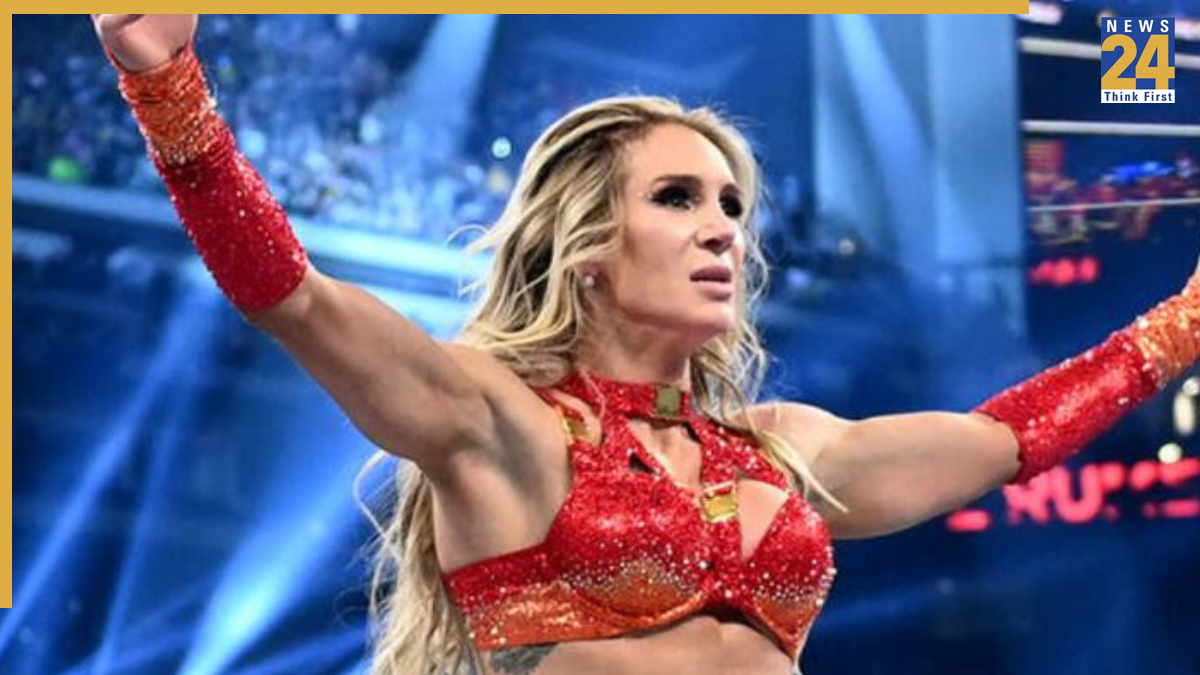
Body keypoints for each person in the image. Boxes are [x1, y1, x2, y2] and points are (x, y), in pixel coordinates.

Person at [92, 14, 1200, 675]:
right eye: (678, 198)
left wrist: (1184, 318)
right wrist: (166, 86)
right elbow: (292, 297)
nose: (723, 228)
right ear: (586, 245)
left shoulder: (785, 448)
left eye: (732, 204)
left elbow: (1004, 439)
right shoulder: (501, 422)